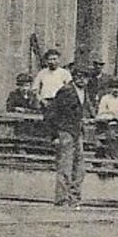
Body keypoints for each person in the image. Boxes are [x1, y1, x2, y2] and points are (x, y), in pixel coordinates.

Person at [44, 76, 86, 207]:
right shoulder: (66, 91)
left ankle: (74, 197)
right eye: (80, 76)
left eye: (86, 77)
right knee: (65, 165)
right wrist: (54, 135)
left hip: (77, 131)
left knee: (79, 167)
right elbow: (52, 113)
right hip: (65, 131)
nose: (83, 79)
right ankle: (62, 198)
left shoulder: (84, 91)